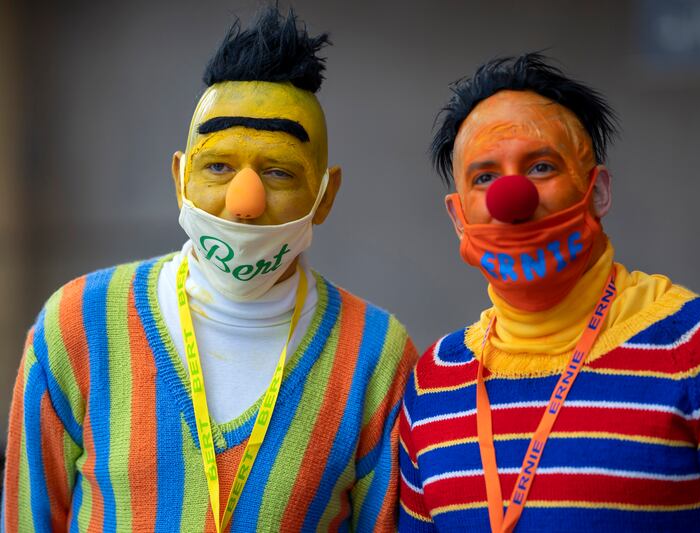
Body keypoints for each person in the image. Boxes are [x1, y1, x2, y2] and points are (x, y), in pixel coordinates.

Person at [4, 8, 417, 532]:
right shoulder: (77, 323)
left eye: (279, 171)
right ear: (180, 177)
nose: (243, 202)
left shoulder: (375, 354)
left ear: (325, 195)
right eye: (218, 166)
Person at [399, 53, 700, 532]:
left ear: (598, 191)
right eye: (485, 177)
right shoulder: (434, 383)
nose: (513, 198)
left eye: (541, 166)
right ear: (458, 216)